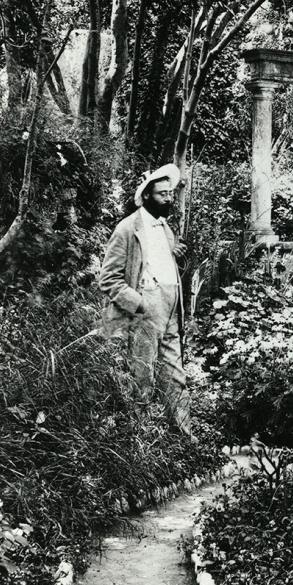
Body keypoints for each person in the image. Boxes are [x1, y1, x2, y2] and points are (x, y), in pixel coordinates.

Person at [99, 163, 194, 439]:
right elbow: (108, 279)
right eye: (162, 194)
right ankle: (137, 439)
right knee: (141, 375)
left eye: (170, 193)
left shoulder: (165, 228)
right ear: (147, 196)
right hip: (143, 312)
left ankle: (184, 435)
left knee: (175, 374)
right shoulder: (127, 229)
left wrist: (173, 253)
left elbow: (157, 263)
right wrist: (139, 303)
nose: (169, 199)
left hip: (171, 310)